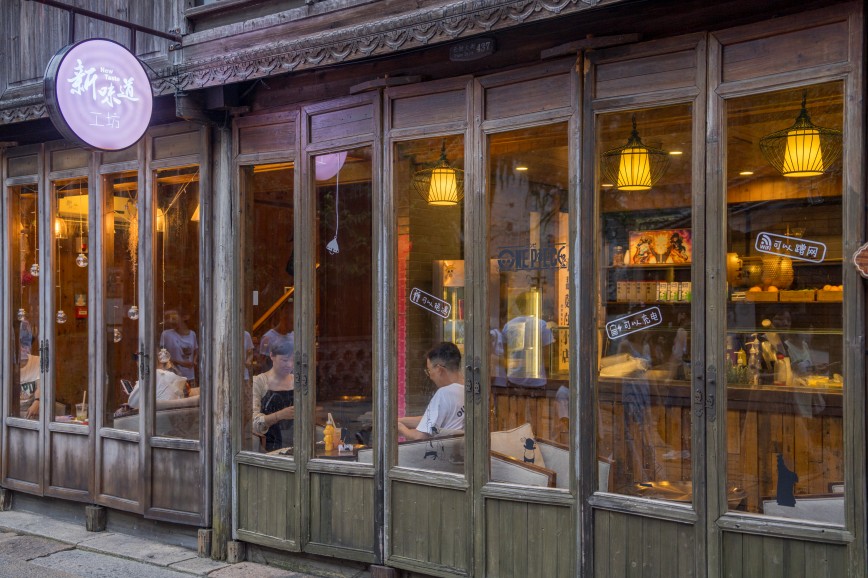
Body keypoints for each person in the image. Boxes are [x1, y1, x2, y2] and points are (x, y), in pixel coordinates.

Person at [397, 342, 465, 441]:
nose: (430, 377)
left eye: (429, 371)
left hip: (447, 449)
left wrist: (400, 428)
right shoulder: (468, 388)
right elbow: (430, 419)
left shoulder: (444, 393)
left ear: (439, 370)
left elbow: (420, 436)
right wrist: (400, 421)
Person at [252, 335, 296, 452]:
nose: (289, 365)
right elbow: (253, 422)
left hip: (297, 443)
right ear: (272, 356)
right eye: (285, 360)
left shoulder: (298, 381)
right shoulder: (259, 382)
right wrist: (280, 415)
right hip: (269, 447)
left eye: (293, 360)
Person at [502, 291, 553, 387]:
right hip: (537, 380)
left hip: (514, 378)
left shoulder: (508, 325)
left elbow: (505, 354)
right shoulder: (542, 325)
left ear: (518, 306)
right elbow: (548, 356)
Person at [159, 308, 198, 382]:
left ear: (184, 317)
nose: (170, 320)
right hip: (172, 378)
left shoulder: (192, 334)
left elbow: (196, 350)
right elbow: (161, 357)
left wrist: (194, 361)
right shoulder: (166, 335)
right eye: (167, 318)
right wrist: (181, 363)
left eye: (173, 317)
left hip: (189, 377)